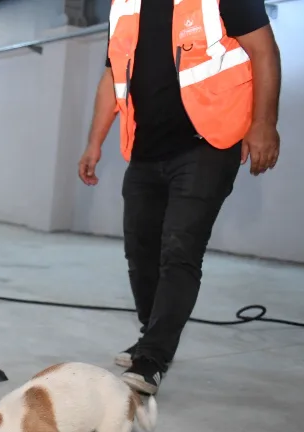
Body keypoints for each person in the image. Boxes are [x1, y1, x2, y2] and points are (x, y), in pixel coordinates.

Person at [78, 0, 282, 395]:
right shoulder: (124, 7)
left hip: (206, 144)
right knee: (141, 251)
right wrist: (94, 143)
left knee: (179, 249)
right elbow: (112, 76)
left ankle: (153, 357)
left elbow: (263, 49)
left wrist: (264, 123)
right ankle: (149, 335)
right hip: (145, 149)